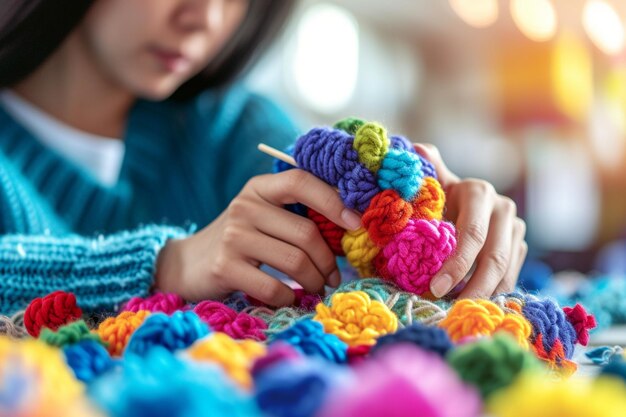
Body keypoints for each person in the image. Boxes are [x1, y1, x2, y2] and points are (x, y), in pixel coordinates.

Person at [0, 0, 527, 315]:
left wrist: (433, 227)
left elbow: (338, 239)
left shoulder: (234, 128)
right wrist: (166, 266)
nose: (204, 18)